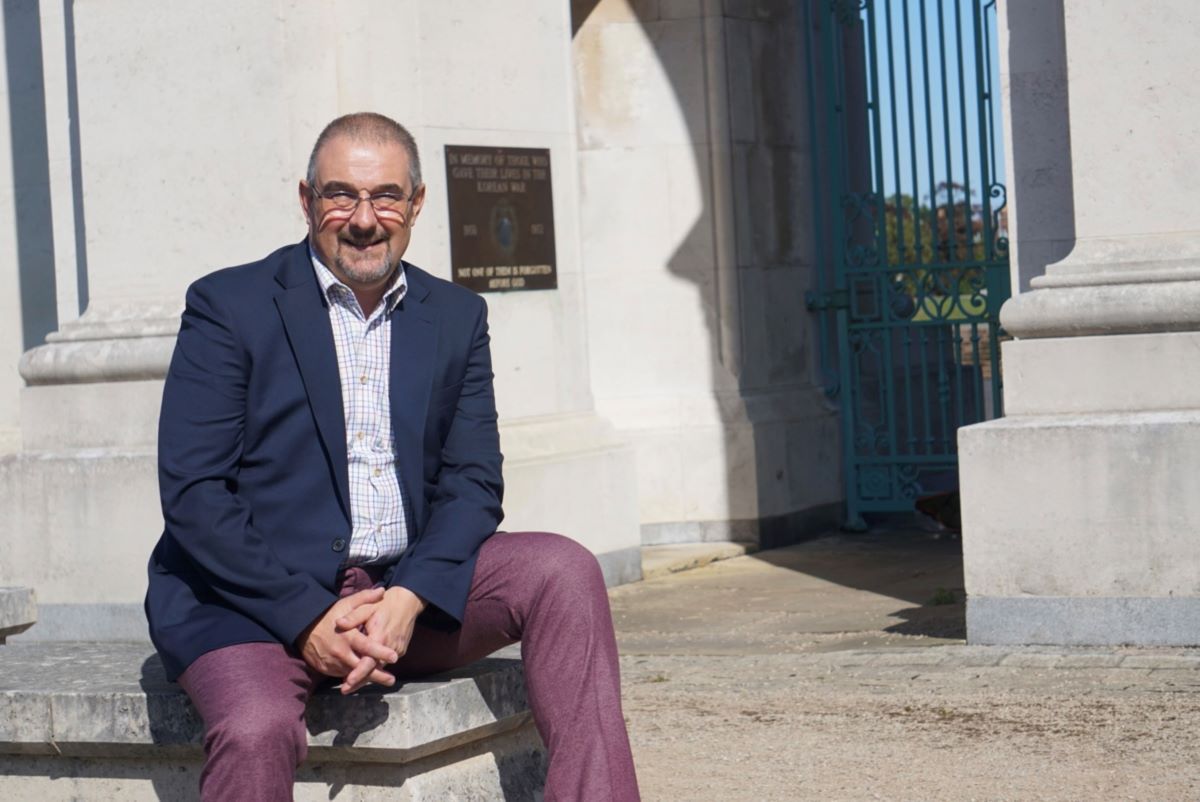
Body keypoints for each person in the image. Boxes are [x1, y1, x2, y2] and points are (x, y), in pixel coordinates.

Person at [144, 111, 641, 802]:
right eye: (340, 194)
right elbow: (195, 492)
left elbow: (473, 480)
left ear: (416, 204)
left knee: (563, 570)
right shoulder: (230, 306)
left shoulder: (456, 315)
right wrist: (306, 617)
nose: (364, 218)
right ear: (306, 199)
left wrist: (410, 596)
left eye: (385, 197)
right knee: (256, 727)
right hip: (248, 604)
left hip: (402, 592)